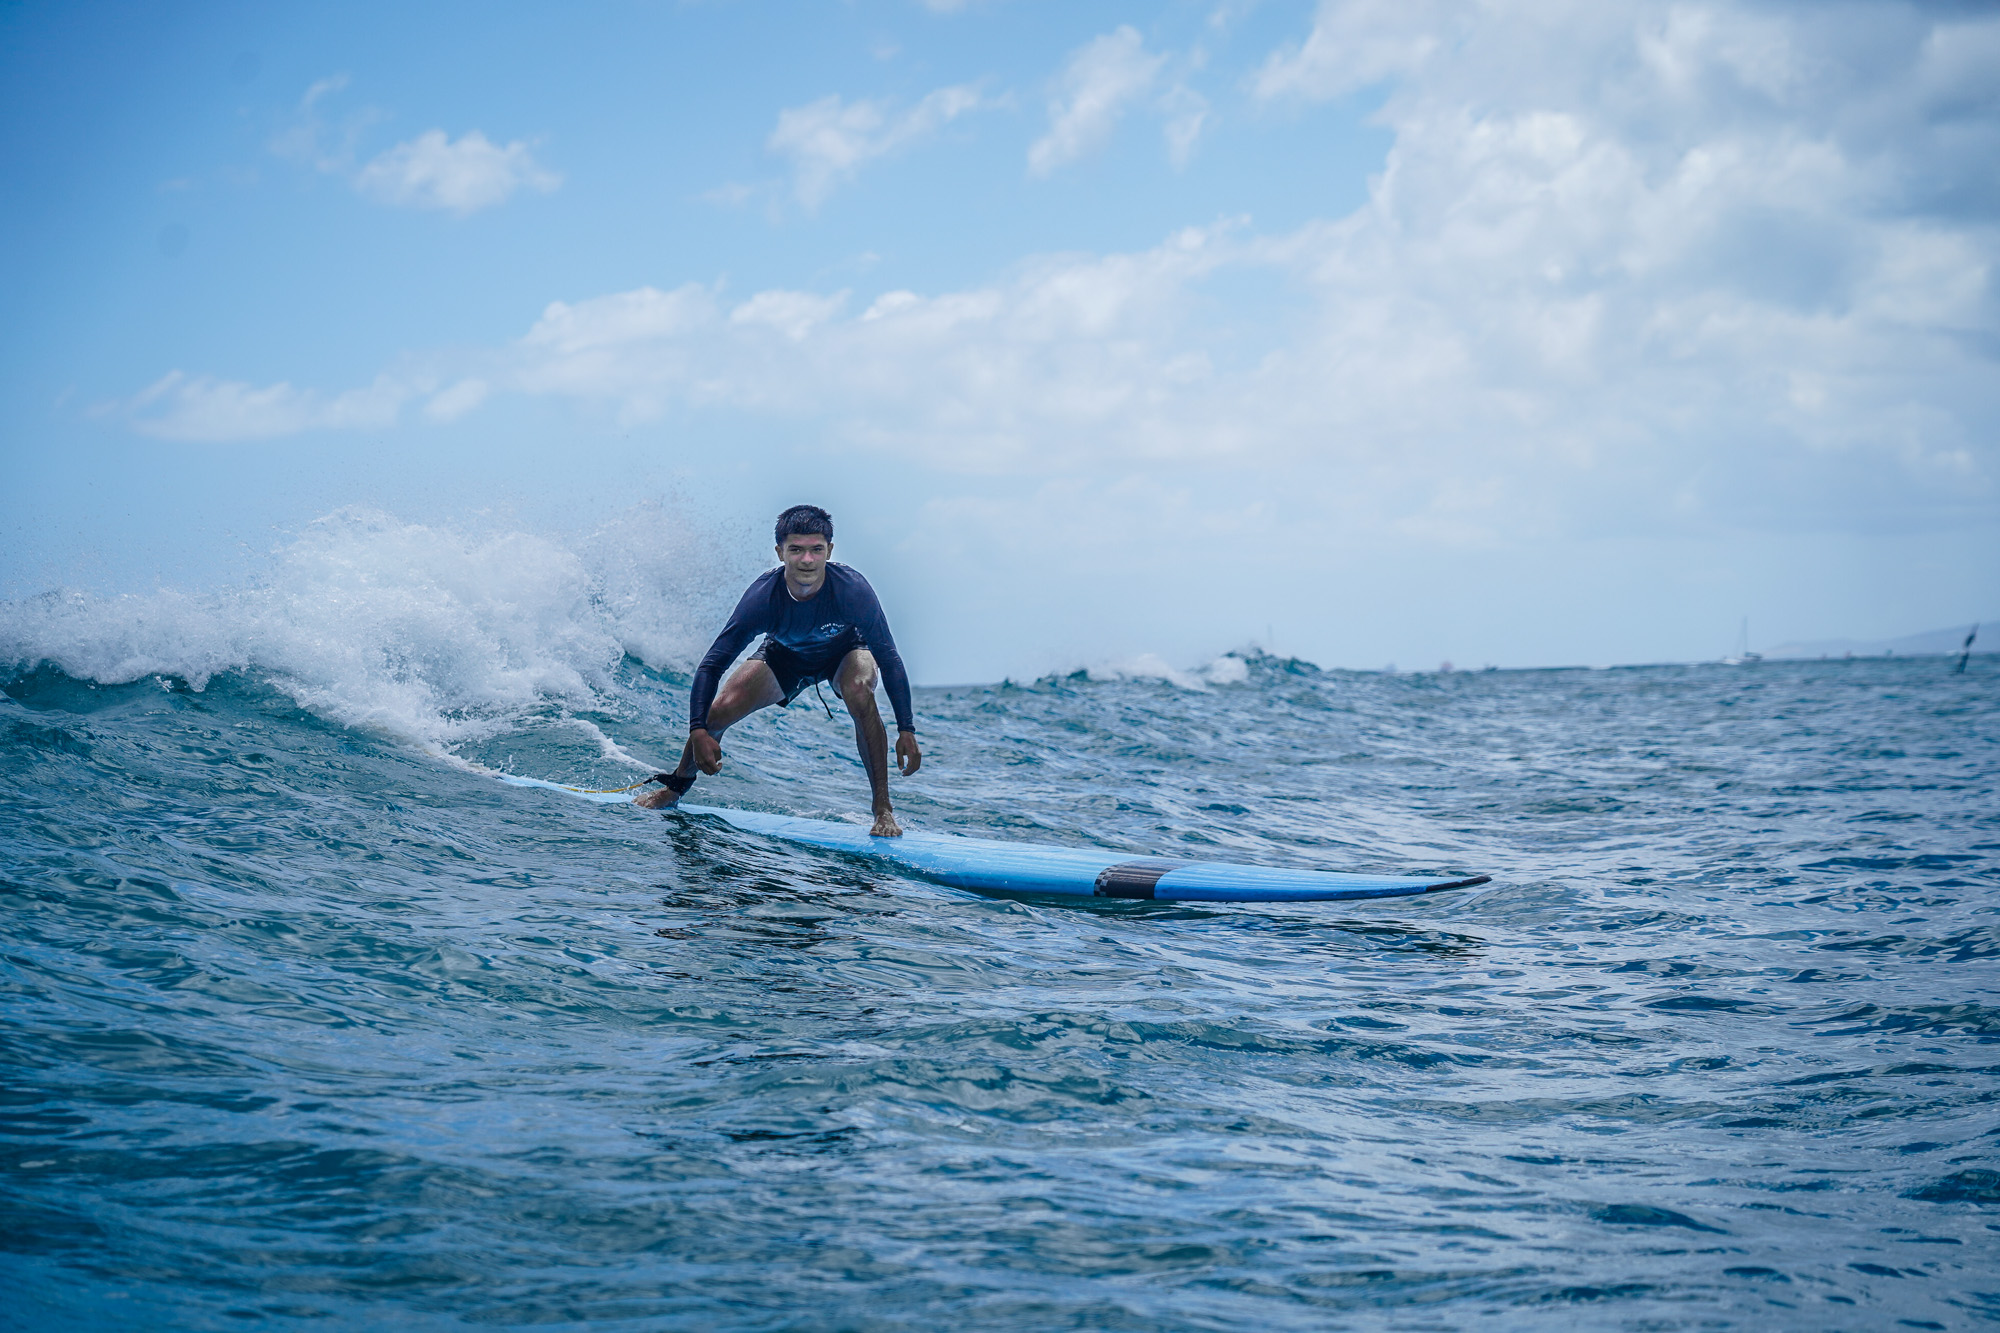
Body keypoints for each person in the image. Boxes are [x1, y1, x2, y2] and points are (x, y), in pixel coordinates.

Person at [636, 505, 922, 835]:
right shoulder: (762, 598)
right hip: (784, 656)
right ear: (780, 552)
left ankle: (883, 810)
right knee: (719, 711)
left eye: (817, 550)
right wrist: (699, 729)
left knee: (859, 690)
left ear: (829, 550)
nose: (807, 560)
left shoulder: (853, 591)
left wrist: (906, 728)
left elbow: (889, 659)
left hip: (845, 653)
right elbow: (712, 665)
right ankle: (675, 787)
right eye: (796, 550)